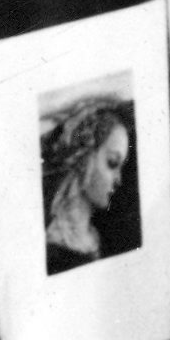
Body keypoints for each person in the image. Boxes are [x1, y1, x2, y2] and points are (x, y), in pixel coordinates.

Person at [41, 97, 135, 272]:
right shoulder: (52, 246)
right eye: (112, 163)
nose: (118, 179)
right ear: (84, 160)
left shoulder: (93, 238)